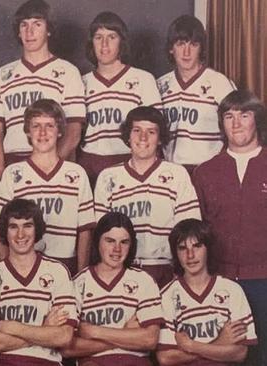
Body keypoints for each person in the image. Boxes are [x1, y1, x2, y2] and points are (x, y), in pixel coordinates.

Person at [192, 90, 267, 365]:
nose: (236, 124)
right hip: (219, 281)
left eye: (244, 115)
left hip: (264, 281)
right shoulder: (205, 172)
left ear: (256, 120)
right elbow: (196, 233)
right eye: (229, 116)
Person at [94, 106, 200, 288]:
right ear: (128, 135)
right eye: (137, 131)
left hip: (164, 270)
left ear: (160, 139)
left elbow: (188, 230)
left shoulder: (177, 174)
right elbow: (102, 234)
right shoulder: (108, 176)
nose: (143, 138)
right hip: (122, 269)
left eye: (151, 132)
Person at [0, 99, 95, 276]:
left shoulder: (77, 174)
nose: (42, 133)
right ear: (27, 131)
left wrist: (81, 275)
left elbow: (85, 231)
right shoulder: (13, 174)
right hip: (23, 265)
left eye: (49, 126)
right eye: (36, 126)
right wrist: (5, 271)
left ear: (60, 131)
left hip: (65, 264)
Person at [0, 199, 77, 365]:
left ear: (37, 229)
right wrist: (44, 330)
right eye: (13, 227)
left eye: (27, 225)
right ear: (5, 231)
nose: (20, 234)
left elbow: (64, 337)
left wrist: (13, 328)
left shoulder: (57, 272)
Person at [0, 0, 85, 179]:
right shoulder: (4, 73)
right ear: (18, 31)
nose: (30, 31)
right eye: (24, 25)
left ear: (48, 29)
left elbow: (74, 130)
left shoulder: (68, 71)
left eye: (37, 24)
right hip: (14, 161)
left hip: (54, 162)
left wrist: (51, 165)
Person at [62, 212, 162, 365]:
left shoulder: (143, 280)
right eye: (110, 241)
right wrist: (126, 334)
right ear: (97, 242)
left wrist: (95, 332)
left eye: (124, 242)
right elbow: (67, 348)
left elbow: (149, 340)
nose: (117, 249)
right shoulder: (78, 283)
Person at [156, 219, 257, 365]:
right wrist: (220, 343)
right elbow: (166, 358)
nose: (190, 255)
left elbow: (239, 353)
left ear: (208, 248)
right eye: (182, 248)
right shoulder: (167, 295)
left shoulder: (232, 290)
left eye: (197, 246)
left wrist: (191, 346)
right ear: (175, 253)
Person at [79, 11, 162, 187]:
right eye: (98, 37)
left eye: (112, 37)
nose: (104, 44)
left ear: (121, 42)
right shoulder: (81, 82)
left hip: (129, 161)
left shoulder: (143, 79)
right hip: (90, 164)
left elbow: (156, 129)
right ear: (91, 42)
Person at [157, 15, 235, 173]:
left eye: (193, 44)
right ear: (171, 48)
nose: (186, 52)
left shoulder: (220, 83)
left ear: (201, 48)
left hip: (210, 171)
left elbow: (236, 131)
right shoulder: (160, 85)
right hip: (171, 172)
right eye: (180, 44)